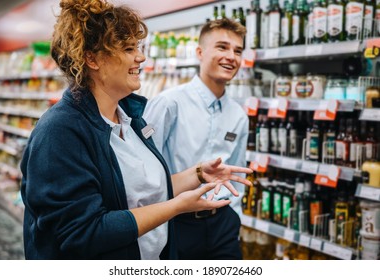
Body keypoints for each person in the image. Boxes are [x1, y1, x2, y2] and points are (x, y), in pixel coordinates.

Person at [19, 0, 253, 260]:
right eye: (129, 49)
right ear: (92, 59)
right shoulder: (60, 131)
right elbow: (81, 233)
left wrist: (198, 174)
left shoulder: (131, 120)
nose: (140, 57)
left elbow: (145, 191)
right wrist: (176, 207)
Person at [143, 18, 249, 260]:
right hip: (177, 222)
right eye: (222, 47)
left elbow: (237, 173)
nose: (231, 56)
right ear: (200, 52)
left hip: (223, 224)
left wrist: (234, 216)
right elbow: (143, 174)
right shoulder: (169, 103)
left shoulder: (239, 116)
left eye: (238, 50)